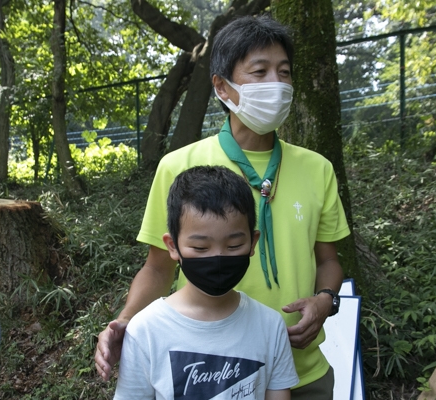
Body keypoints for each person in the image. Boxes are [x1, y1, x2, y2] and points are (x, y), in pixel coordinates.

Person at [96, 14, 350, 399]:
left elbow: (328, 260)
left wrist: (325, 301)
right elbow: (158, 266)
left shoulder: (318, 169)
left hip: (304, 371)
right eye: (260, 71)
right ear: (222, 86)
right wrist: (125, 321)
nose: (276, 85)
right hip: (208, 374)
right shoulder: (178, 166)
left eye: (284, 72)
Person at [113, 166, 299, 400]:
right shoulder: (145, 331)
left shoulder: (271, 326)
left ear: (253, 243)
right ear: (172, 246)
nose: (218, 258)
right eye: (200, 248)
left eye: (233, 246)